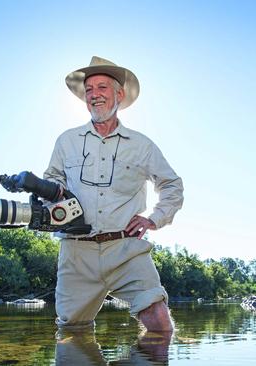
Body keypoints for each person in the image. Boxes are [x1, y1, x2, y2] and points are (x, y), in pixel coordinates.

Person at [43, 56, 184, 332]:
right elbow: (51, 183)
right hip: (75, 251)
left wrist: (153, 219)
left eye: (102, 87)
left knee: (159, 321)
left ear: (119, 94)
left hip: (125, 249)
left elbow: (172, 185)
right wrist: (53, 202)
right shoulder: (66, 141)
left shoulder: (142, 145)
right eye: (89, 90)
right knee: (72, 332)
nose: (94, 95)